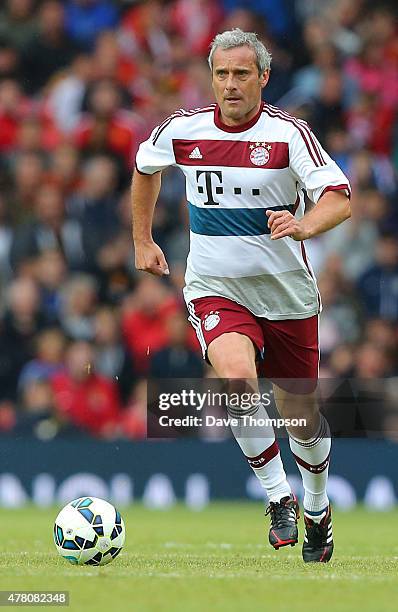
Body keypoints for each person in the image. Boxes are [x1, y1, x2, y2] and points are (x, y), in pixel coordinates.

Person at [132, 28, 351, 563]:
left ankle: (318, 509)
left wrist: (302, 226)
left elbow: (339, 199)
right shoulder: (182, 130)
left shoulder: (288, 134)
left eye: (242, 74)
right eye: (222, 74)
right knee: (234, 377)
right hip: (214, 287)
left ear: (263, 78)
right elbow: (144, 170)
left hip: (286, 294)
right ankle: (278, 497)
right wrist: (142, 239)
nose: (230, 85)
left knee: (300, 416)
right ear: (211, 77)